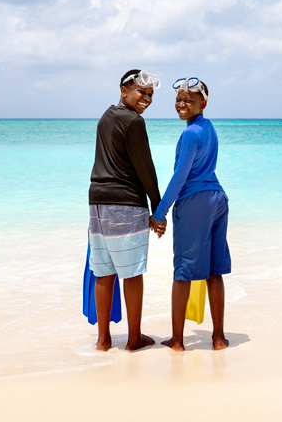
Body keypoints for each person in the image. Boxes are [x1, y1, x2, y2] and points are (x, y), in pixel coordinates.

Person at [87, 69, 168, 351]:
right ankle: (134, 339)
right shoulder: (133, 122)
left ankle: (103, 339)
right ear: (124, 90)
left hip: (97, 203)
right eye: (141, 92)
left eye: (150, 95)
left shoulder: (105, 117)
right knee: (131, 273)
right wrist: (158, 209)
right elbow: (145, 168)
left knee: (104, 273)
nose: (146, 98)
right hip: (125, 205)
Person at [152, 77, 230, 351]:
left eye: (188, 100)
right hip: (218, 200)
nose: (181, 105)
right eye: (178, 100)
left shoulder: (190, 134)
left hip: (195, 203)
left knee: (183, 272)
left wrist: (160, 213)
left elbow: (179, 177)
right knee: (214, 272)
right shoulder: (209, 128)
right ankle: (218, 338)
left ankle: (177, 340)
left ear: (203, 103)